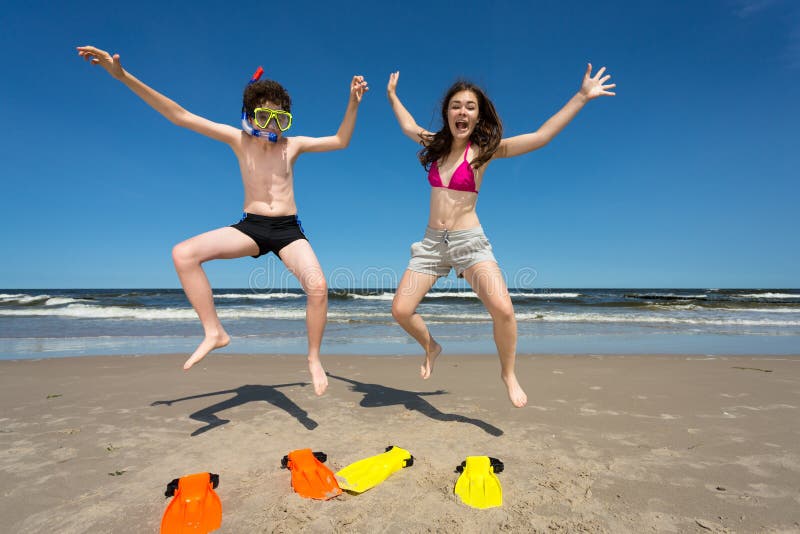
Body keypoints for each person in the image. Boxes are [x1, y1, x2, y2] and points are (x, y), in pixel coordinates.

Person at [77, 45, 368, 395]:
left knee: (318, 288)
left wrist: (352, 102)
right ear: (250, 115)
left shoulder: (293, 145)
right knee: (183, 254)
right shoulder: (238, 140)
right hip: (252, 227)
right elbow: (179, 115)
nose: (272, 126)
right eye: (265, 117)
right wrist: (123, 76)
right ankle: (214, 331)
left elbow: (340, 140)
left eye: (281, 119)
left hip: (288, 230)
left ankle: (313, 358)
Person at [387, 65, 615, 407]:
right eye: (456, 105)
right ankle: (432, 346)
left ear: (478, 117)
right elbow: (407, 125)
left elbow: (540, 137)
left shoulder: (483, 152)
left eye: (470, 107)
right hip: (432, 244)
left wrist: (581, 96)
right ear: (447, 111)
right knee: (401, 310)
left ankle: (508, 373)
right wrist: (392, 95)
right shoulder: (434, 145)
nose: (462, 112)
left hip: (468, 242)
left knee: (504, 311)